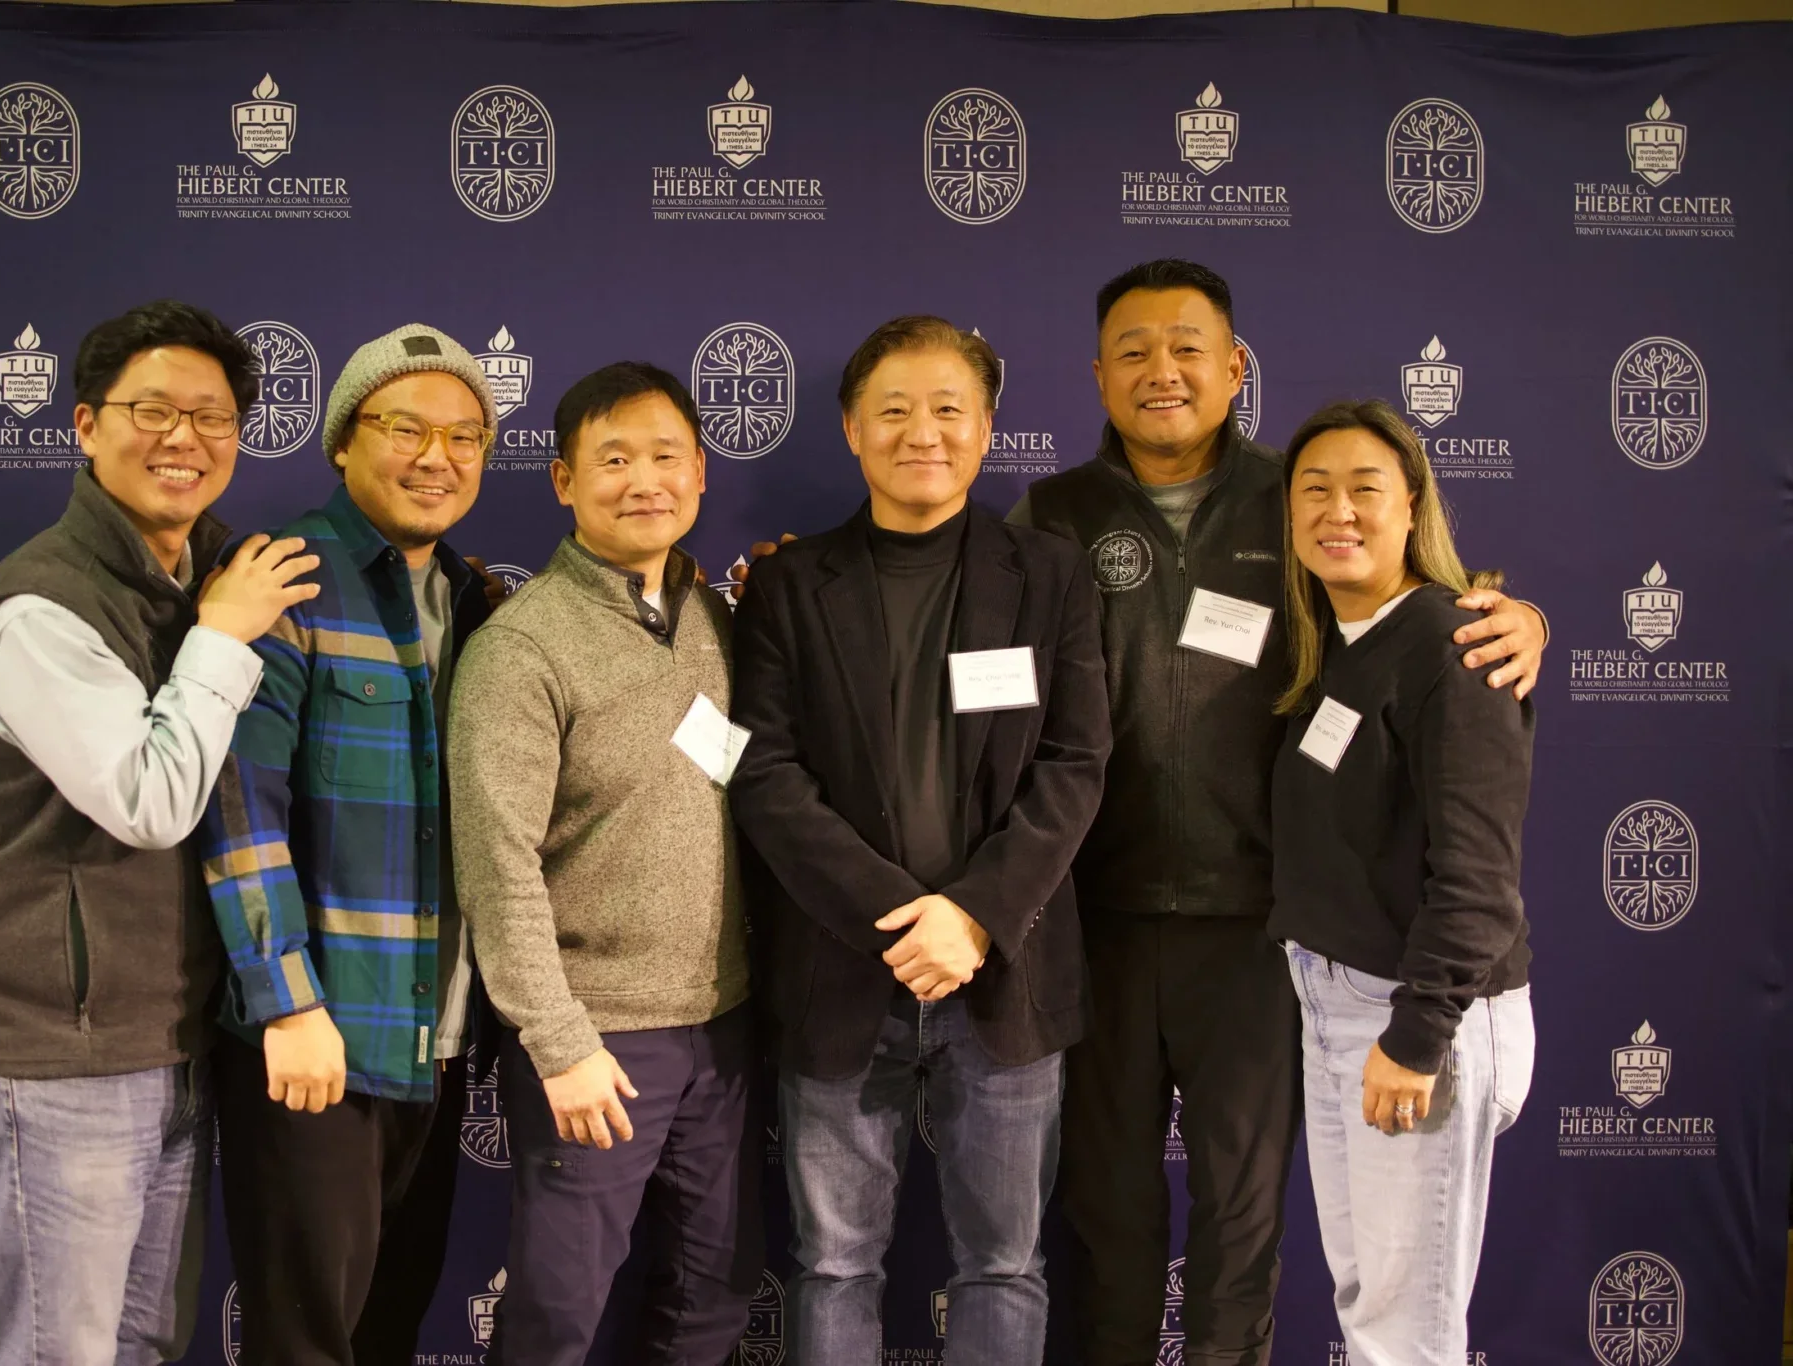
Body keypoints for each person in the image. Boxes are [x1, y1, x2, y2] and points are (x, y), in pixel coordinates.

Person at [1007, 259, 1549, 1366]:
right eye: (1133, 350)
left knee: (1241, 1223)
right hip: (1091, 919)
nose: (1162, 371)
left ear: (1234, 367)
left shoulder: (1296, 496)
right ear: (1097, 375)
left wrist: (1521, 618)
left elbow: (1416, 615)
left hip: (1261, 930)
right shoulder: (1051, 513)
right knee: (1104, 1219)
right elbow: (960, 634)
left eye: (1187, 346)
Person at [0, 299, 319, 1366]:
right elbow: (148, 799)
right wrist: (223, 638)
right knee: (59, 1349)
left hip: (169, 1041)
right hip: (53, 1056)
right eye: (152, 410)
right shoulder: (37, 608)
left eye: (212, 417)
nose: (183, 438)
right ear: (85, 423)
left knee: (144, 1342)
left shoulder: (198, 576)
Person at [727, 316, 1112, 1365]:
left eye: (948, 408)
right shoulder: (789, 585)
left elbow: (1074, 763)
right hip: (840, 972)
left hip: (1005, 977)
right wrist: (901, 921)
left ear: (986, 428)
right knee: (834, 1266)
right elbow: (759, 771)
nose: (921, 432)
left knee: (1004, 1263)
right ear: (851, 429)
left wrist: (973, 915)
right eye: (892, 409)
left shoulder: (1049, 574)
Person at [198, 323, 499, 1366]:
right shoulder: (284, 575)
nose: (436, 456)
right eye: (404, 427)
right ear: (341, 440)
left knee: (389, 1329)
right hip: (319, 1043)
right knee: (305, 1341)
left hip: (435, 1041)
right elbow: (239, 806)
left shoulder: (475, 600)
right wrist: (285, 1000)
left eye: (464, 436)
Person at [448, 362, 760, 1366]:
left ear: (701, 473)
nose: (643, 481)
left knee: (708, 1299)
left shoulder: (715, 619)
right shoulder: (522, 646)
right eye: (613, 459)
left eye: (665, 456)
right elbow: (495, 865)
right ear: (562, 481)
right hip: (596, 1042)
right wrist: (559, 1038)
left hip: (722, 1025)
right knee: (556, 1317)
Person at [1268, 399, 1535, 1366]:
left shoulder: (1454, 646)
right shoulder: (1343, 640)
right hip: (1338, 1004)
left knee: (1406, 1331)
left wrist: (1416, 1039)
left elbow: (1476, 878)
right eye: (1314, 491)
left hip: (1417, 1018)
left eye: (1366, 489)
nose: (1339, 511)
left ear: (1414, 506)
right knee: (1373, 1305)